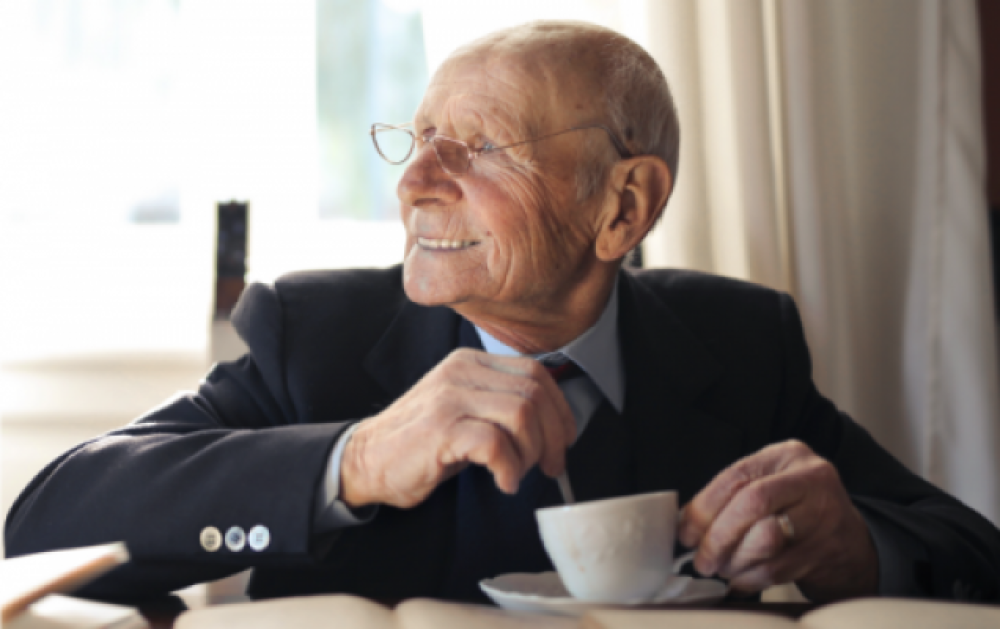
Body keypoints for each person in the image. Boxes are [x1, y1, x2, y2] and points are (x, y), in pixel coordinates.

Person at [6, 20, 1000, 605]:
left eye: (481, 150)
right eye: (419, 138)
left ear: (623, 206)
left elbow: (968, 551)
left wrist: (857, 545)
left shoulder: (739, 342)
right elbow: (43, 528)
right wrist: (350, 458)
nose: (417, 184)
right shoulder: (316, 336)